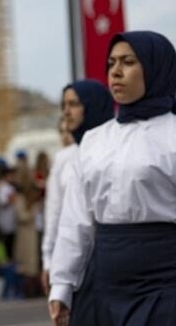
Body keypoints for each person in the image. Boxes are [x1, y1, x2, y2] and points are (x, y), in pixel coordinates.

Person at [48, 31, 176, 326]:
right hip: (107, 283)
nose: (115, 71)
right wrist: (62, 284)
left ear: (155, 68)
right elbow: (76, 221)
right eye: (111, 63)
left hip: (168, 281)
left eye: (128, 62)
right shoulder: (94, 141)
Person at [40, 80, 113, 296]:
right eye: (64, 105)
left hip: (113, 253)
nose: (66, 112)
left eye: (74, 104)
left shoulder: (115, 149)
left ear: (92, 106)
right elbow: (54, 212)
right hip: (75, 257)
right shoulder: (65, 158)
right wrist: (49, 259)